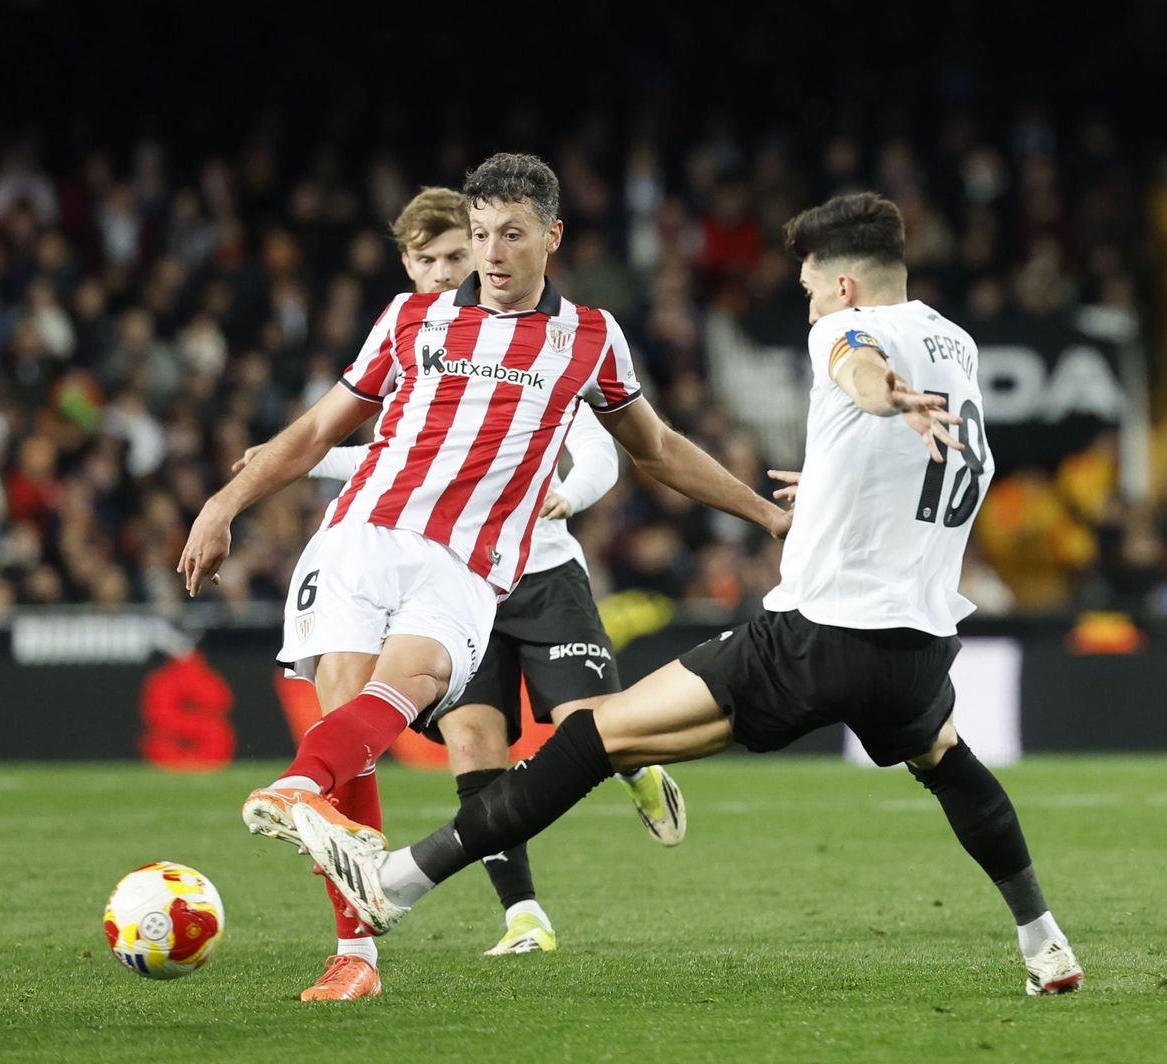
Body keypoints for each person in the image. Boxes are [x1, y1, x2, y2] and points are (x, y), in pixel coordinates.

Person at [296, 191, 1085, 997]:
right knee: (947, 761)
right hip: (918, 646)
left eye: (811, 287)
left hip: (815, 637)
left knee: (593, 737)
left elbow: (856, 365)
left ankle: (397, 881)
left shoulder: (843, 331)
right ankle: (1045, 942)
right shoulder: (954, 344)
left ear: (844, 286)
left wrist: (877, 388)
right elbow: (927, 458)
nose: (810, 304)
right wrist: (841, 475)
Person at [176, 153, 788, 993]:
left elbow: (658, 450)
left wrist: (766, 516)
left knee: (411, 686)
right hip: (362, 533)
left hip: (467, 565)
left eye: (511, 235)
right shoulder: (411, 319)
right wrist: (222, 505)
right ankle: (355, 954)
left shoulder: (589, 338)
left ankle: (295, 791)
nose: (492, 255)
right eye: (481, 234)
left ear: (552, 236)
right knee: (353, 724)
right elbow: (318, 430)